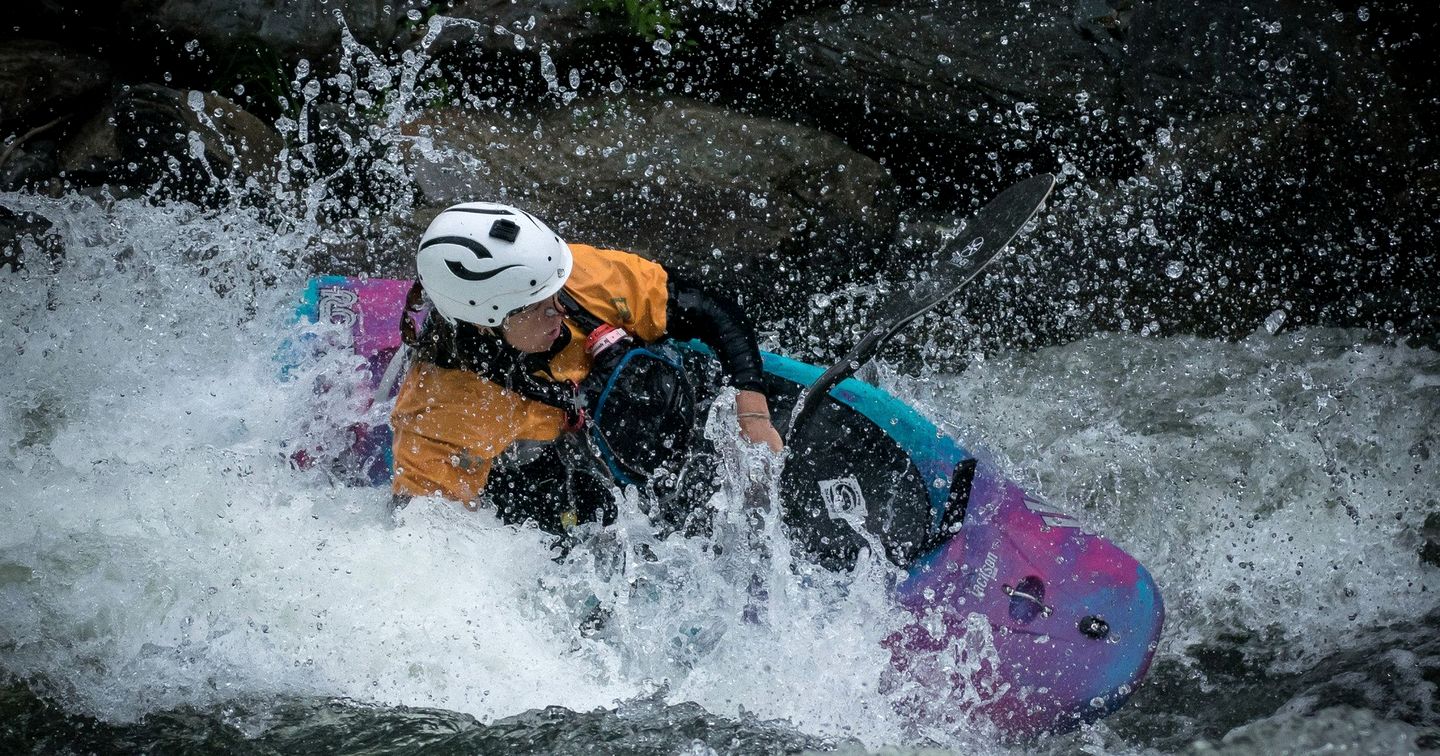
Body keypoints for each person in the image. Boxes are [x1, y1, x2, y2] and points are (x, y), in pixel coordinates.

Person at [389, 201, 783, 534]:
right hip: (557, 498)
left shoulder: (573, 275)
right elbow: (428, 533)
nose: (559, 310)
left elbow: (709, 309)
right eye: (538, 308)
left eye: (555, 294)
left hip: (658, 432)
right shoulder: (441, 412)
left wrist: (753, 413)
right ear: (485, 322)